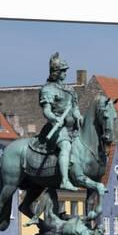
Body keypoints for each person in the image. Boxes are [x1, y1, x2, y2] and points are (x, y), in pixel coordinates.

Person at [39, 52, 83, 191]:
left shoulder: (70, 90)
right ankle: (64, 180)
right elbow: (46, 110)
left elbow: (75, 109)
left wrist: (79, 116)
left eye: (65, 70)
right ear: (55, 72)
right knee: (65, 146)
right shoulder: (48, 89)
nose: (65, 73)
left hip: (72, 127)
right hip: (56, 127)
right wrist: (54, 118)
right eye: (62, 71)